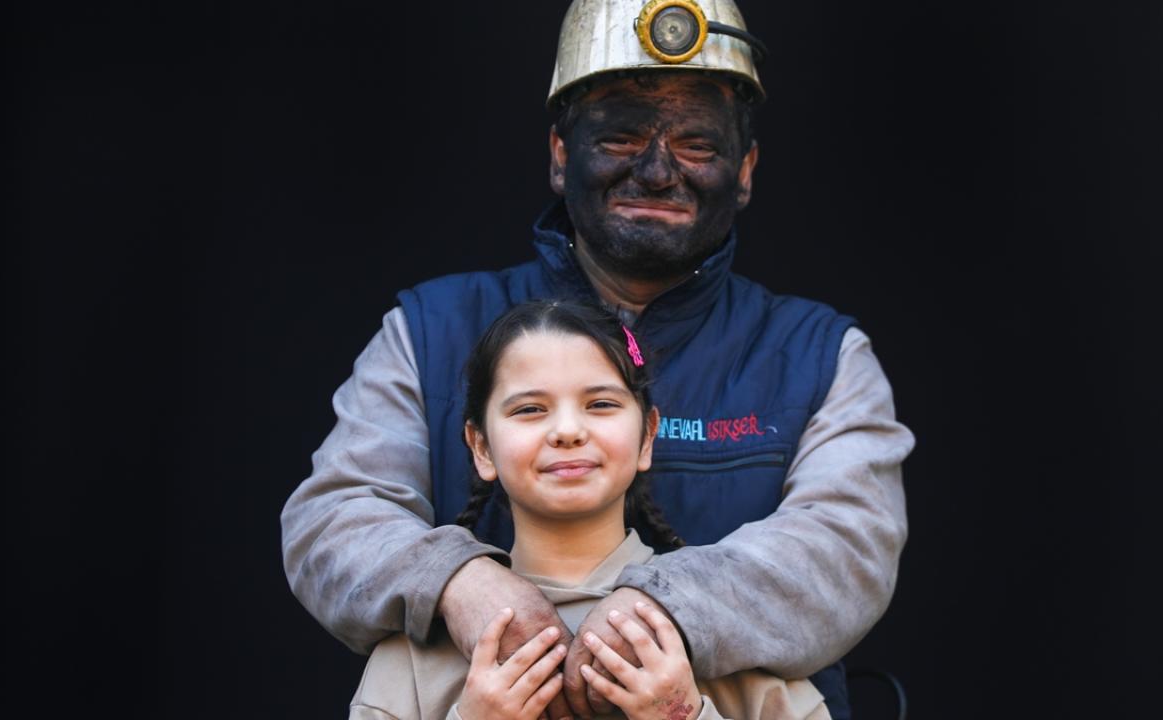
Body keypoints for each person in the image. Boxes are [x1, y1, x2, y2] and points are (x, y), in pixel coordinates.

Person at [281, 1, 914, 717]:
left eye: (699, 146)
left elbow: (846, 554)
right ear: (560, 155)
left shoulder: (820, 356)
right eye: (619, 137)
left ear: (746, 171)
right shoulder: (429, 333)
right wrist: (461, 584)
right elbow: (332, 521)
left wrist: (661, 610)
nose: (655, 170)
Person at [349, 300, 829, 720]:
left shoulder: (732, 637)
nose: (567, 430)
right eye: (529, 410)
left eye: (600, 403)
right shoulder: (410, 662)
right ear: (481, 448)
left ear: (646, 436)